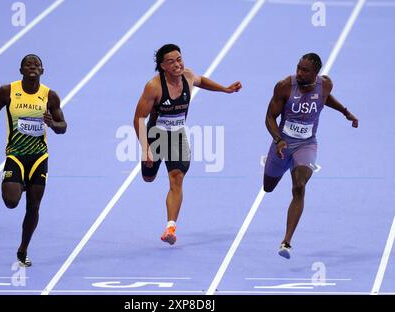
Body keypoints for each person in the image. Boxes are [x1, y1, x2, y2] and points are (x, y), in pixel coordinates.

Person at [133, 44, 242, 245]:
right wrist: (145, 148)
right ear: (162, 66)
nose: (177, 64)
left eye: (179, 59)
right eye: (171, 61)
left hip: (178, 137)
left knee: (176, 179)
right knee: (148, 178)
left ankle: (170, 228)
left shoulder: (188, 76)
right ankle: (151, 166)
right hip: (155, 136)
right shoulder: (154, 86)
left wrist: (225, 89)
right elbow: (139, 118)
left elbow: (202, 81)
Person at [263, 53, 358, 259]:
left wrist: (345, 112)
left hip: (306, 144)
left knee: (299, 186)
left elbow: (325, 98)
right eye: (298, 67)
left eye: (305, 70)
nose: (299, 72)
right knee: (268, 187)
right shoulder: (284, 86)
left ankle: (286, 242)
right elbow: (270, 116)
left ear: (316, 73)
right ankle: (278, 164)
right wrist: (278, 140)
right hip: (283, 143)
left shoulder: (325, 85)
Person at [0, 54, 67, 267]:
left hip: (38, 158)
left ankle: (23, 249)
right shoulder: (7, 91)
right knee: (11, 202)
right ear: (21, 70)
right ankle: (21, 184)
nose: (32, 67)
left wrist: (52, 123)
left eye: (36, 64)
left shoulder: (50, 96)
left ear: (42, 71)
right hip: (15, 155)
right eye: (28, 64)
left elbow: (64, 127)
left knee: (33, 207)